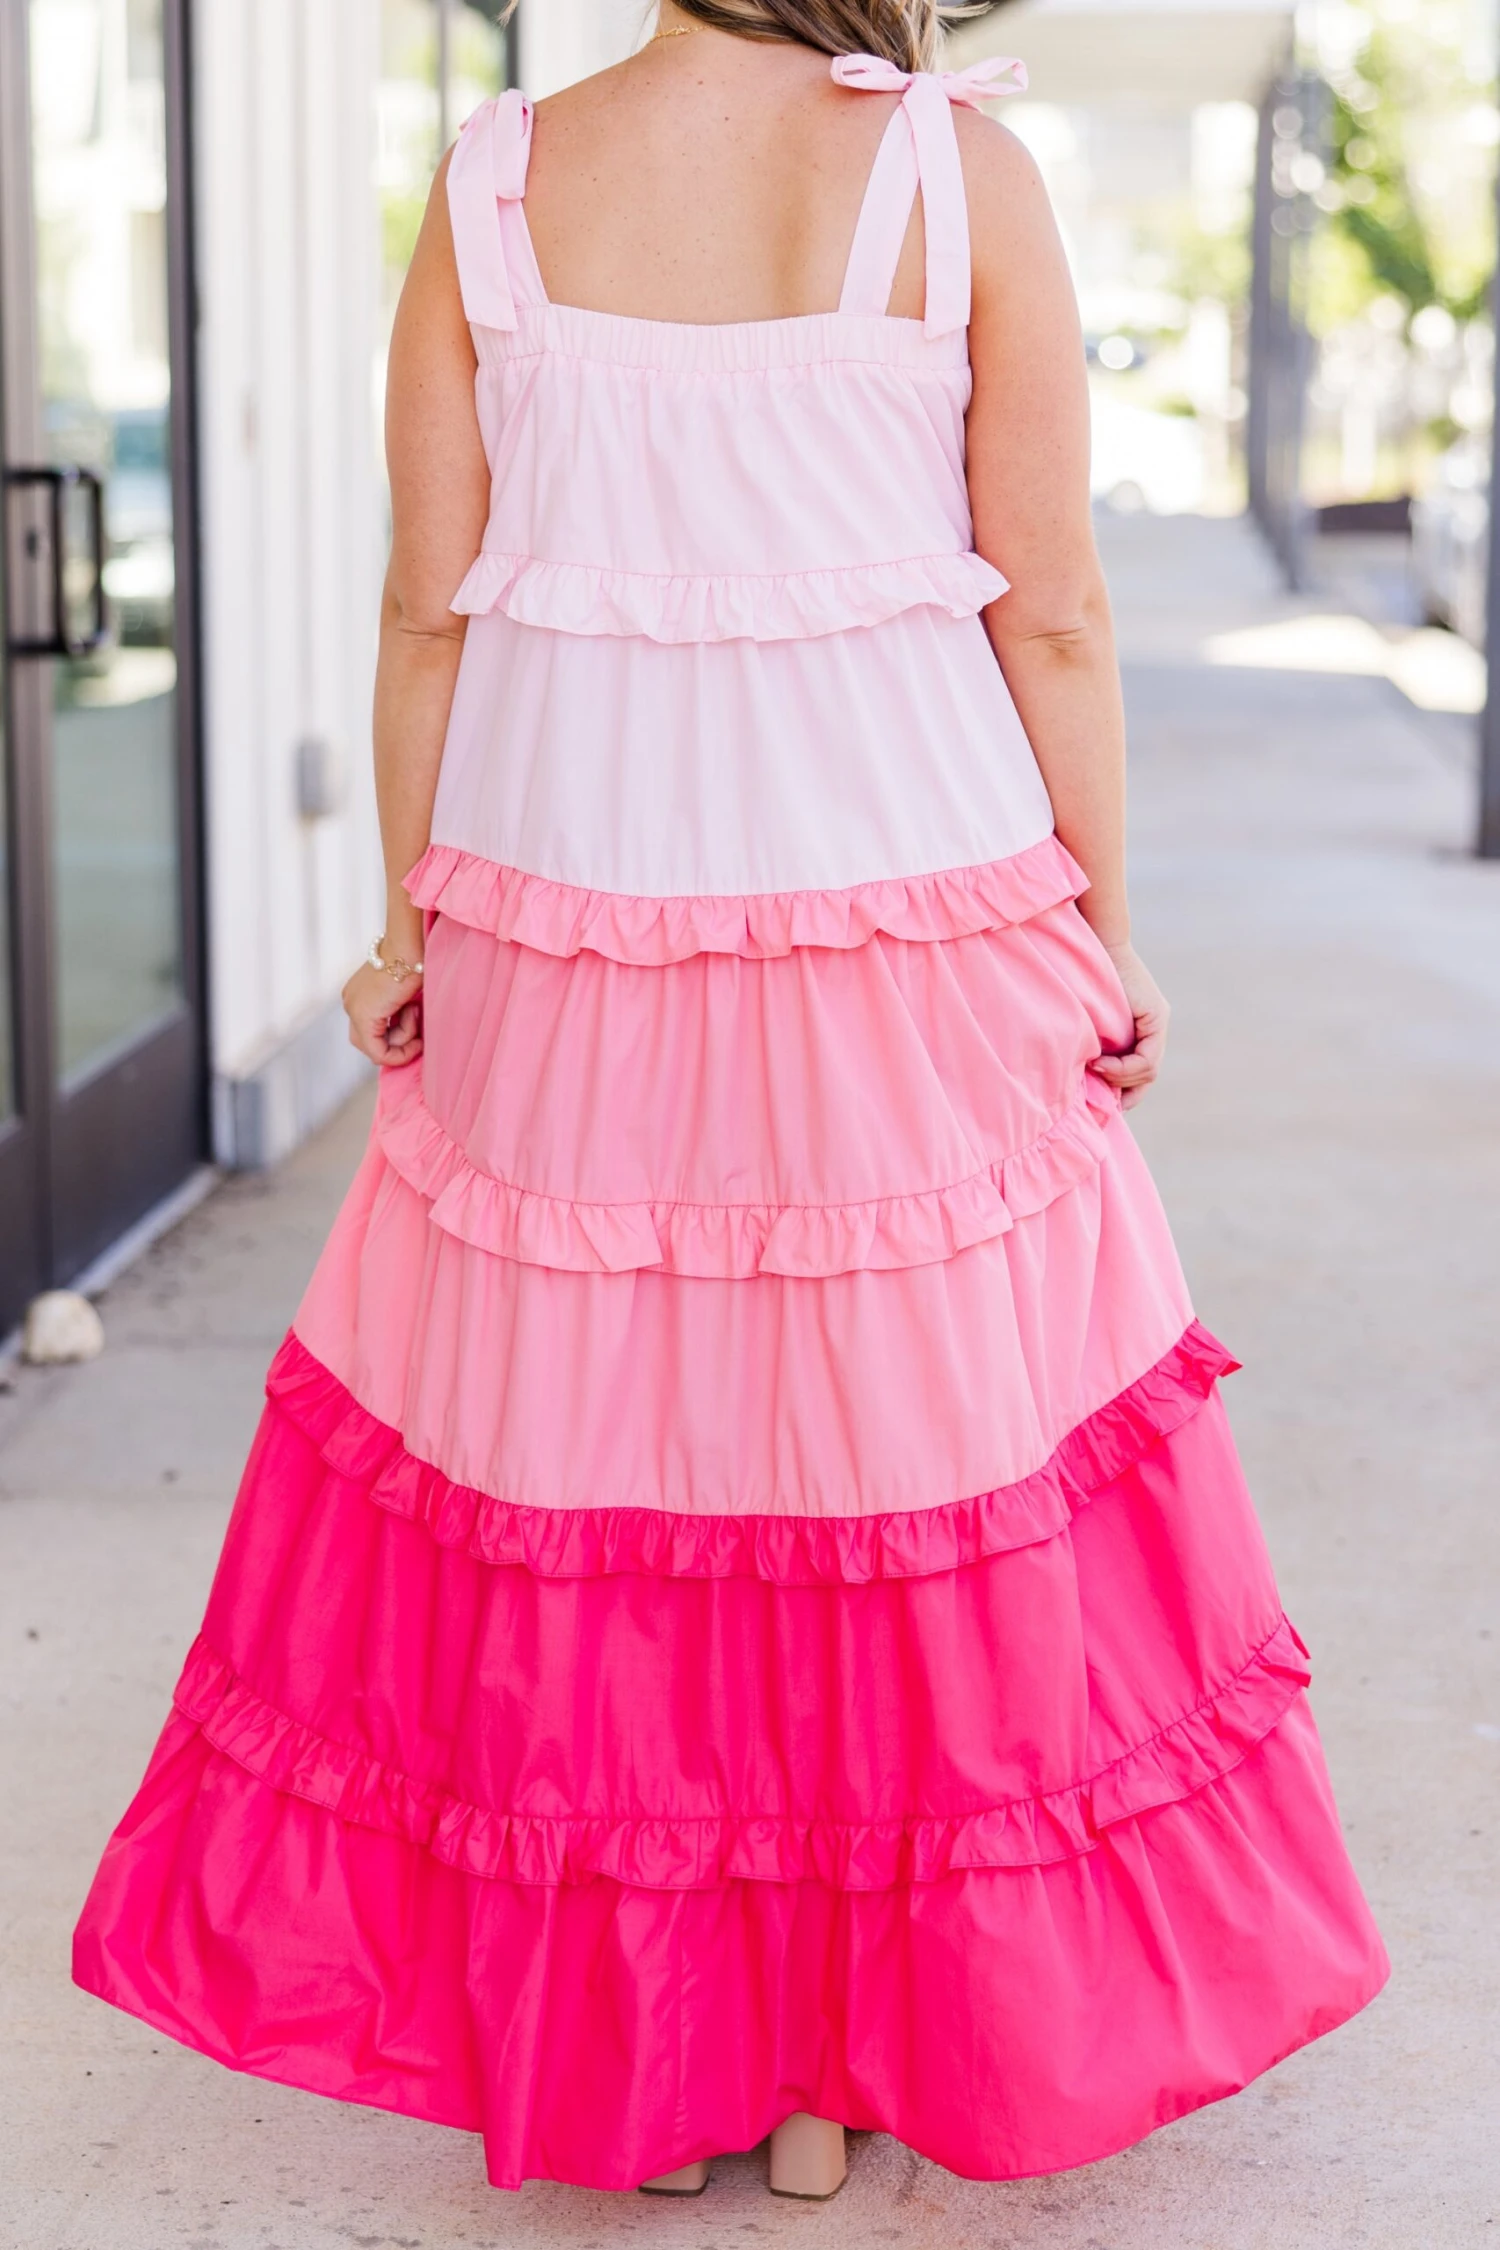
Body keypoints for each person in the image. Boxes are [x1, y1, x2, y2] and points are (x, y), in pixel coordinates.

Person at [74, 0, 1388, 2204]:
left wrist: (410, 928)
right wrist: (1108, 925)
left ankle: (649, 2053)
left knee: (615, 1475)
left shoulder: (502, 174)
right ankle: (826, 2069)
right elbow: (1056, 613)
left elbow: (424, 610)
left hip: (573, 923)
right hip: (905, 923)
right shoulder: (951, 171)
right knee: (882, 1475)